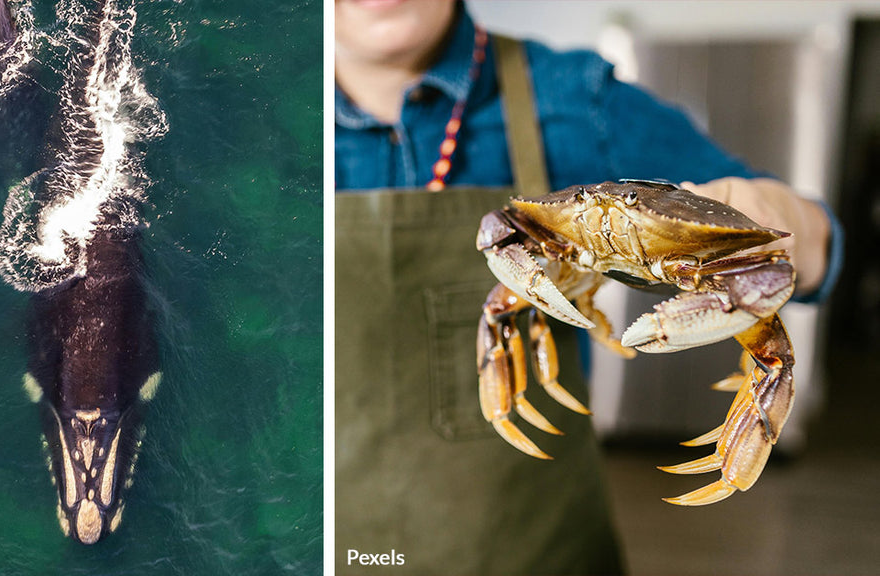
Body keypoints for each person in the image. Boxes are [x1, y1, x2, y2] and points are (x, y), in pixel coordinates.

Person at [334, 1, 842, 575]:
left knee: (773, 357)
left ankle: (731, 460)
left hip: (535, 542)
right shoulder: (246, 122)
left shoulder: (577, 97)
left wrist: (782, 219)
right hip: (324, 529)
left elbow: (820, 247)